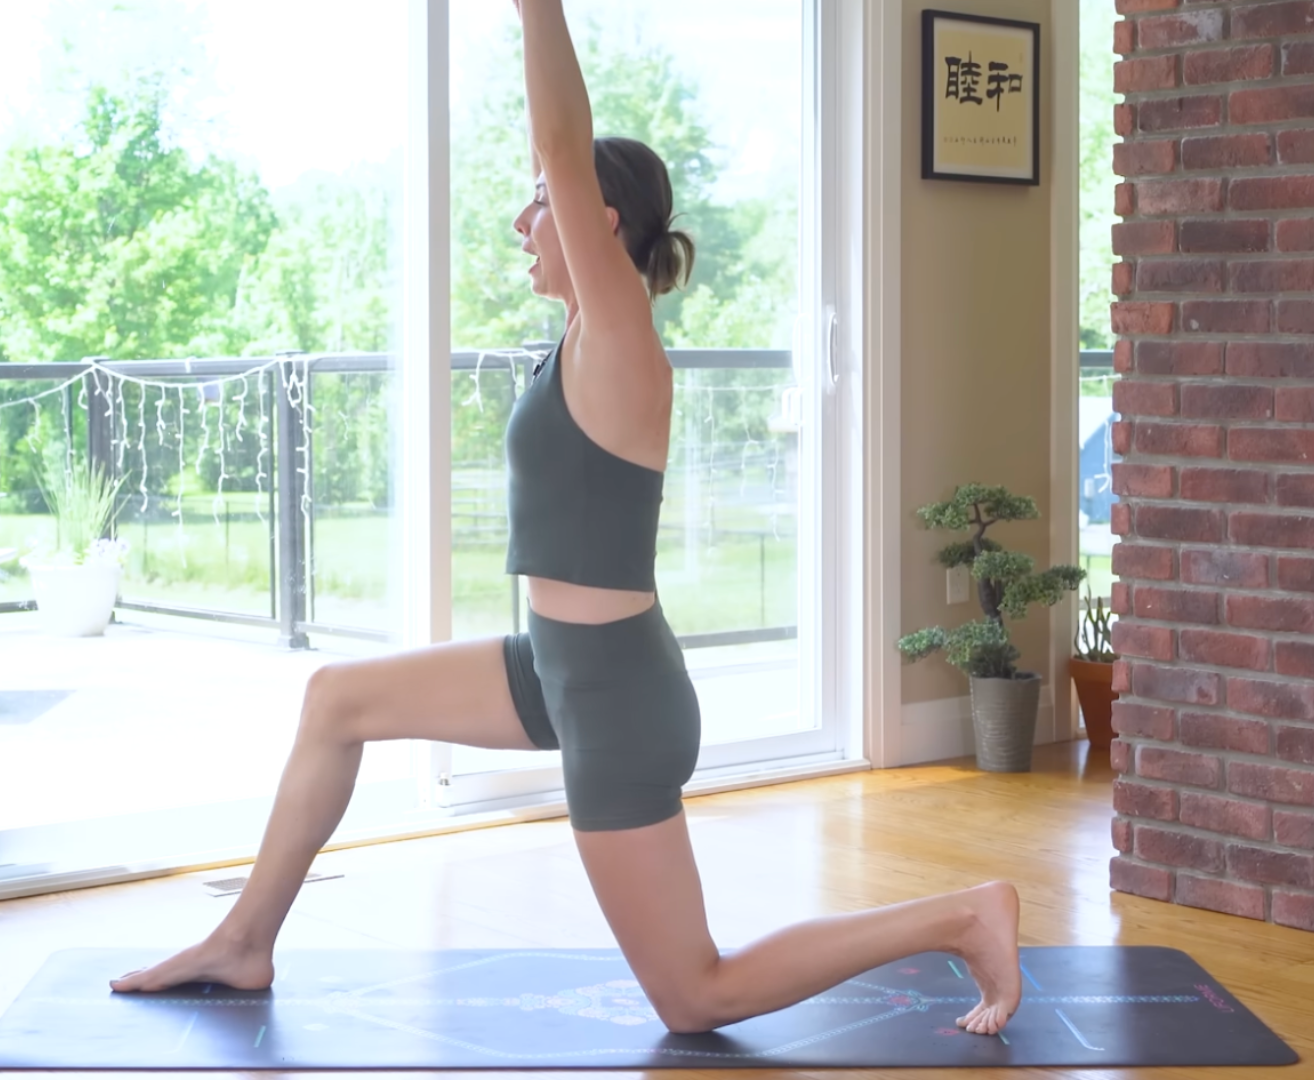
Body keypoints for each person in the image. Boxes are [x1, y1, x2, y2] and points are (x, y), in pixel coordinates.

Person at [109, 0, 1022, 1036]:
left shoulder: (621, 332)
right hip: (558, 667)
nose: (520, 222)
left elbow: (558, 137)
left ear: (599, 222)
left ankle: (961, 915)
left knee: (694, 996)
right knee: (335, 699)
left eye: (541, 201)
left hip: (617, 701)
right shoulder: (577, 340)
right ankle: (243, 941)